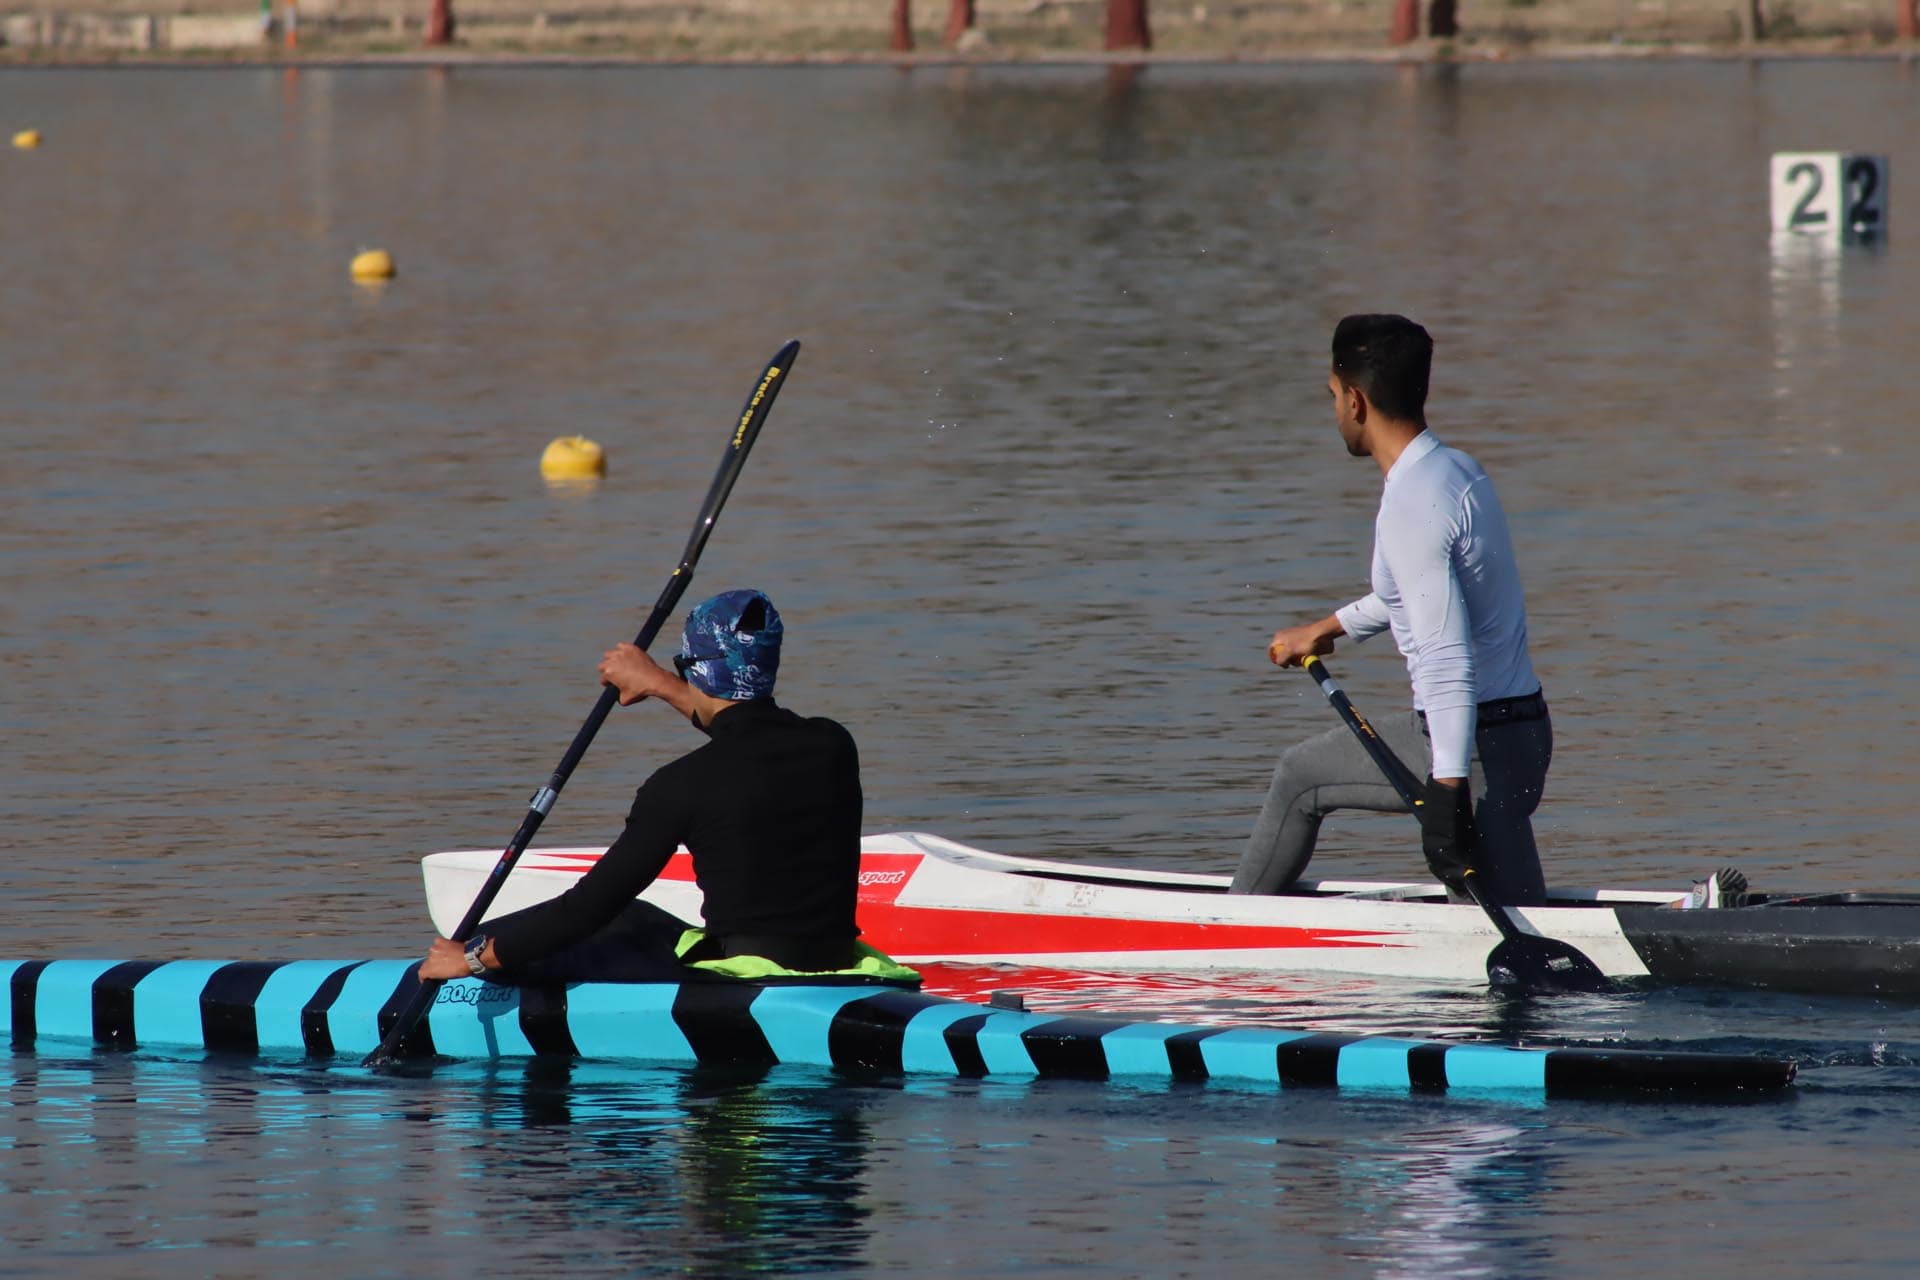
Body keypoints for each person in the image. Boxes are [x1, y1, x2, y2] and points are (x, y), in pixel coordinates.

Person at [1230, 314, 1552, 906]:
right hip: (1521, 732)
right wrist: (1327, 629)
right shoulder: (1456, 470)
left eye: (1333, 396)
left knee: (1299, 778)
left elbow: (1445, 655)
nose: (1334, 411)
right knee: (1521, 914)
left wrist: (1448, 790)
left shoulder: (1410, 504)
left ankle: (1225, 932)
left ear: (1355, 400)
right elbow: (1414, 592)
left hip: (1470, 747)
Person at [418, 588, 875, 984]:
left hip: (740, 981)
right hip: (835, 964)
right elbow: (746, 731)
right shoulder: (834, 745)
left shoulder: (678, 785)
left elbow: (589, 907)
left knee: (618, 921)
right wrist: (658, 682)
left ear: (697, 672)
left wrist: (475, 957)